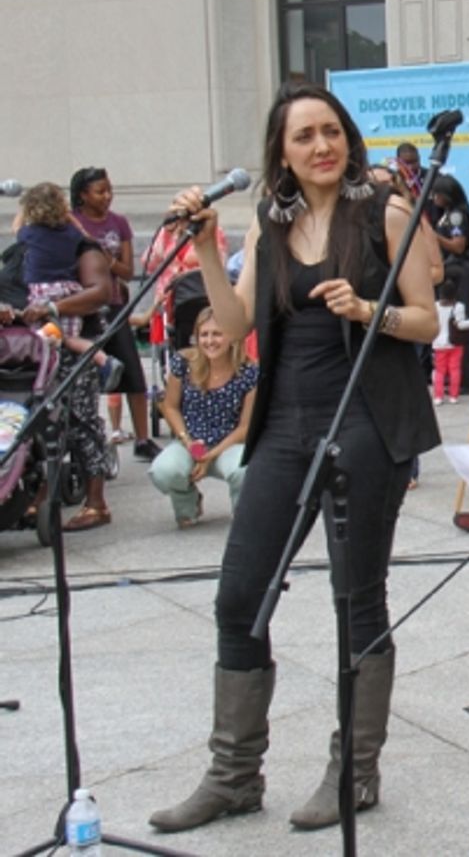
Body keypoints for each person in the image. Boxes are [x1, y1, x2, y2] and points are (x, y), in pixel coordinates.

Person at [149, 81, 440, 834]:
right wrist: (210, 246)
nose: (321, 145)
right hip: (282, 426)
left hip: (367, 421)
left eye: (331, 131)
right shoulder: (270, 229)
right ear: (281, 152)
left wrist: (365, 309)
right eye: (304, 135)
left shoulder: (385, 212)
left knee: (357, 599)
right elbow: (239, 318)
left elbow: (426, 320)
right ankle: (234, 774)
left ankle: (355, 770)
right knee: (239, 594)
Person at [69, 166, 155, 459]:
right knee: (84, 375)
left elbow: (127, 271)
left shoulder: (118, 223)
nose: (107, 196)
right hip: (84, 308)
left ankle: (143, 439)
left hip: (115, 304)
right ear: (83, 195)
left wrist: (102, 255)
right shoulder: (71, 223)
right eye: (99, 191)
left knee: (132, 371)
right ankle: (86, 436)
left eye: (109, 190)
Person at [150, 307, 257, 528]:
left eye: (217, 334)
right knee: (164, 470)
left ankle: (244, 513)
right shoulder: (183, 363)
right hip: (191, 441)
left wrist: (211, 455)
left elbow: (245, 427)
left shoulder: (249, 372)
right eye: (204, 334)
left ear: (232, 336)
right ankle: (188, 502)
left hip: (229, 444)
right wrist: (188, 442)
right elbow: (170, 407)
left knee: (243, 469)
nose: (210, 341)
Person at [14, 183, 124, 389]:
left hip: (42, 292)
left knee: (48, 337)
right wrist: (71, 217)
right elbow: (86, 235)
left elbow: (16, 228)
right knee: (69, 337)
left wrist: (22, 211)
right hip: (69, 290)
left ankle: (53, 378)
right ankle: (102, 360)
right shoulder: (71, 234)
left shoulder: (30, 233)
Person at [430, 277, 468, 405]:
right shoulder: (459, 307)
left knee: (439, 370)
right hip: (455, 343)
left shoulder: (434, 306)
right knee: (455, 369)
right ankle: (453, 396)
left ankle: (438, 396)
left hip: (439, 343)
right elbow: (461, 325)